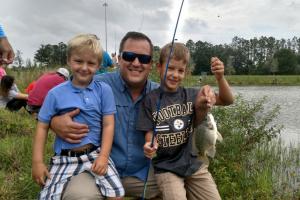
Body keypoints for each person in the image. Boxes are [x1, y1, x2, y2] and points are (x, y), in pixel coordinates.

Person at [50, 31, 217, 200]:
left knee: (179, 185)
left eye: (143, 59)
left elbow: (208, 103)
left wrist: (208, 94)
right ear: (119, 58)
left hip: (145, 173)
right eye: (129, 56)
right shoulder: (98, 84)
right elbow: (53, 101)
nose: (136, 63)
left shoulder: (160, 94)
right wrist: (54, 122)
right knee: (78, 197)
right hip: (97, 168)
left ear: (151, 64)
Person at [31, 34, 124, 200]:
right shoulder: (55, 93)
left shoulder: (104, 90)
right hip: (65, 158)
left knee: (116, 194)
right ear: (69, 60)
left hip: (95, 154)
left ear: (99, 65)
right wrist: (37, 162)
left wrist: (103, 156)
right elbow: (42, 126)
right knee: (48, 197)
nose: (84, 68)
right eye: (78, 61)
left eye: (91, 63)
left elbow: (109, 125)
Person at [136, 42, 234, 200]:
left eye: (180, 70)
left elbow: (227, 100)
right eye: (170, 68)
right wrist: (150, 144)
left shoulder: (193, 95)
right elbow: (149, 133)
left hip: (194, 163)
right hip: (166, 168)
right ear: (159, 67)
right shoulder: (149, 101)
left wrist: (220, 78)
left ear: (186, 73)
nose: (175, 74)